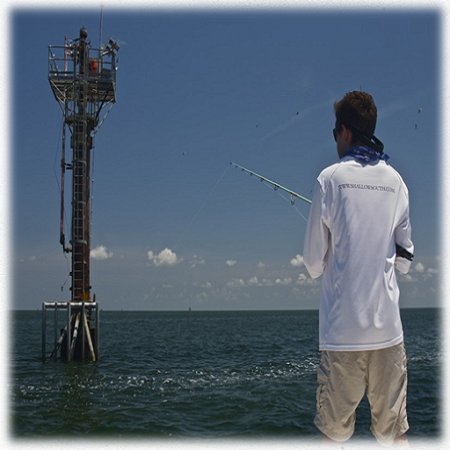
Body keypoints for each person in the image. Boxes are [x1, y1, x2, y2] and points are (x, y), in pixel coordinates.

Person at [303, 91, 414, 446]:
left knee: (333, 436)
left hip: (342, 336)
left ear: (345, 132)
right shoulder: (397, 182)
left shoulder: (328, 180)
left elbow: (312, 266)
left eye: (335, 132)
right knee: (394, 436)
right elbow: (406, 261)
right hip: (388, 335)